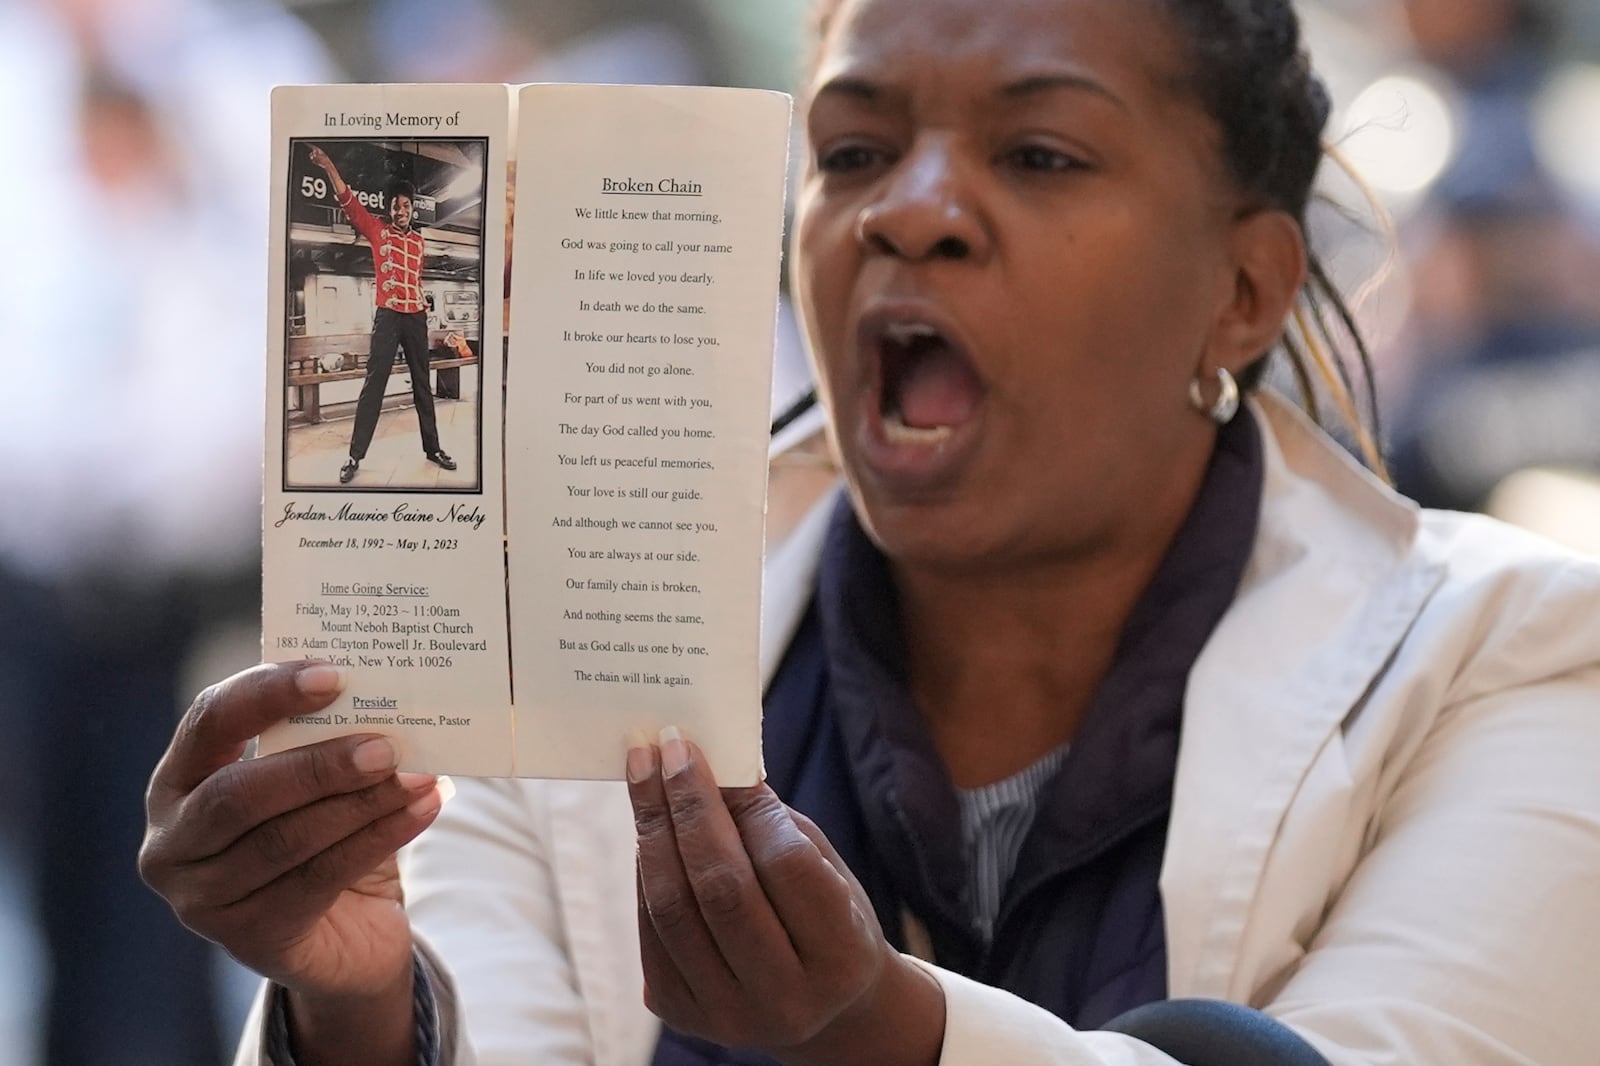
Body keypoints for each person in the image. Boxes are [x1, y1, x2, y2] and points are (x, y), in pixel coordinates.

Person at [141, 1, 1600, 1064]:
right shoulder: (563, 659)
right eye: (850, 152)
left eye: (1038, 155)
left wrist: (876, 1030)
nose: (911, 214)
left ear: (1247, 288)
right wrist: (355, 1005)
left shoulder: (1512, 657)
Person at [306, 143, 457, 483]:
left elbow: (415, 280)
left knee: (422, 384)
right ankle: (354, 456)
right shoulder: (378, 231)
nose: (400, 210)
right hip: (388, 317)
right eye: (395, 205)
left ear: (412, 210)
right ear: (389, 210)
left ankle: (432, 448)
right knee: (374, 385)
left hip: (415, 317)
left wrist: (424, 306)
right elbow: (350, 203)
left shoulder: (420, 243)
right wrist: (330, 166)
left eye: (405, 206)